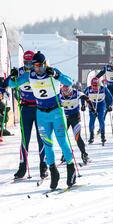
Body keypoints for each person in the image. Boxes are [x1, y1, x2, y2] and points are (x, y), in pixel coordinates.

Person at [9, 51, 76, 189]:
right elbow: (12, 84)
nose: (38, 69)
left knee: (62, 141)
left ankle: (71, 169)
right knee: (47, 144)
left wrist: (57, 75)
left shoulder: (51, 72)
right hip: (41, 114)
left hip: (56, 112)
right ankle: (53, 172)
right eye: (35, 66)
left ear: (45, 64)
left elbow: (69, 81)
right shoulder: (30, 75)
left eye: (40, 66)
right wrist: (14, 76)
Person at [60, 85, 92, 164]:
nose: (66, 94)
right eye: (64, 92)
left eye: (67, 92)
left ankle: (84, 154)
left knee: (77, 137)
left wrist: (91, 107)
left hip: (75, 118)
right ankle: (65, 154)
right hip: (65, 118)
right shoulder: (59, 94)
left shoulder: (77, 93)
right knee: (63, 137)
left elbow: (87, 98)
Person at [83, 77, 113, 145]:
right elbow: (83, 97)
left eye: (96, 85)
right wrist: (83, 105)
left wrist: (110, 105)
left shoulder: (103, 88)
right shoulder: (88, 89)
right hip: (92, 104)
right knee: (92, 120)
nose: (94, 87)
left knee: (101, 119)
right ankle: (91, 136)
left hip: (101, 104)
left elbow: (110, 97)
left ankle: (103, 136)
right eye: (93, 85)